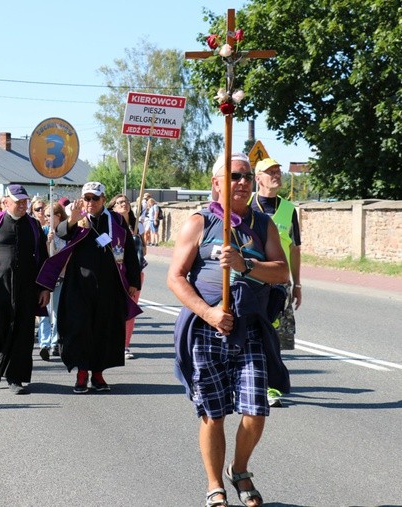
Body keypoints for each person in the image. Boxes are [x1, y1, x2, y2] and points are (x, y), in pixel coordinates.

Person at [167, 153, 290, 507]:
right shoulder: (199, 222)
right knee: (213, 412)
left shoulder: (262, 224)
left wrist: (245, 264)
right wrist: (207, 312)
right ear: (216, 183)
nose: (242, 182)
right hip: (207, 330)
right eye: (234, 176)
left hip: (249, 328)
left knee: (255, 410)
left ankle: (240, 469)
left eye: (247, 176)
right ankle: (214, 484)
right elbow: (175, 277)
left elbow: (281, 271)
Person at [37, 182, 142, 393]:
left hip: (108, 285)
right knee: (80, 329)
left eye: (95, 198)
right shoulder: (78, 219)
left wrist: (133, 282)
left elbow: (129, 251)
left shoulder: (116, 220)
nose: (90, 202)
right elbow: (61, 233)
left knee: (105, 329)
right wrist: (73, 220)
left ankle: (99, 374)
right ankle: (82, 373)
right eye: (87, 198)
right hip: (79, 285)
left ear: (103, 199)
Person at [0, 184, 50, 394]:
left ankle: (15, 378)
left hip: (26, 288)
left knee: (22, 334)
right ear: (5, 202)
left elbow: (44, 259)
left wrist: (44, 288)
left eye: (25, 202)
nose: (22, 206)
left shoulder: (34, 226)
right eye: (18, 202)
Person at [252, 157, 303, 407]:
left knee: (273, 336)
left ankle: (270, 387)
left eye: (278, 171)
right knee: (248, 333)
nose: (276, 175)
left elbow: (294, 249)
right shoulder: (246, 205)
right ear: (258, 177)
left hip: (278, 284)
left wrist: (298, 284)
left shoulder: (289, 209)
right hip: (249, 281)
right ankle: (248, 380)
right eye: (270, 172)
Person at [108, 194, 147, 359]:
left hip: (135, 273)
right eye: (119, 202)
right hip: (115, 272)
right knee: (113, 308)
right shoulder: (111, 225)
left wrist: (136, 241)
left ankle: (125, 346)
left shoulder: (138, 226)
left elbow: (144, 250)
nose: (124, 204)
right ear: (113, 207)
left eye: (126, 201)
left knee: (130, 309)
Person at [37, 202, 68, 360]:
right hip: (45, 278)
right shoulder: (43, 231)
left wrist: (54, 242)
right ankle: (44, 343)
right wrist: (47, 241)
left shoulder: (65, 233)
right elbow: (42, 255)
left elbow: (64, 255)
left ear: (59, 216)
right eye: (46, 216)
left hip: (60, 277)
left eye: (51, 216)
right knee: (44, 312)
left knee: (55, 312)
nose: (48, 219)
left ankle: (55, 342)